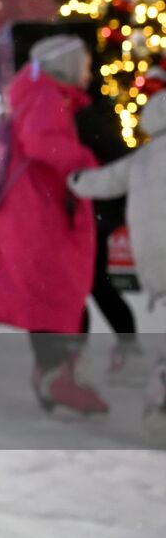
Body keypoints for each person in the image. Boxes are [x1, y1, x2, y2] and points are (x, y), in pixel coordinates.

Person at [0, 35, 105, 413]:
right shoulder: (47, 96)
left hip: (37, 209)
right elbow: (41, 141)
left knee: (52, 294)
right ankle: (57, 375)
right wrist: (84, 160)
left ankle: (54, 374)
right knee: (57, 291)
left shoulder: (39, 93)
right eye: (83, 64)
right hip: (40, 211)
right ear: (65, 65)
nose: (87, 71)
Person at [69, 87, 166, 428]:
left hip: (154, 258)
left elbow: (104, 180)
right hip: (123, 232)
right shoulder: (91, 116)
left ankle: (160, 401)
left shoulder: (141, 157)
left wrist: (75, 180)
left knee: (93, 284)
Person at [73, 75, 142, 380]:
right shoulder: (85, 113)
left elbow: (117, 159)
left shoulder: (83, 115)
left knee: (88, 286)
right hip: (94, 213)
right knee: (93, 285)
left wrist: (83, 183)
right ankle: (125, 350)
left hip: (95, 214)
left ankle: (81, 359)